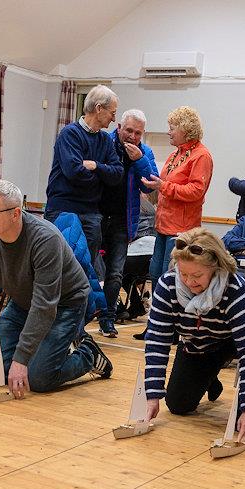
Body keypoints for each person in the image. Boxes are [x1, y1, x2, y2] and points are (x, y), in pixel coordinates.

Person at [0, 180, 113, 398]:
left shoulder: (45, 239)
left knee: (39, 378)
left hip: (65, 304)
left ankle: (88, 354)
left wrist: (21, 359)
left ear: (15, 214)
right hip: (23, 301)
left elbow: (45, 304)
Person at [143, 228, 245, 445]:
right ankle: (209, 378)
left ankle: (242, 399)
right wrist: (151, 395)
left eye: (197, 276)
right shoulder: (167, 285)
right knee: (178, 405)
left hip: (236, 341)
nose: (189, 282)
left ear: (216, 268)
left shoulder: (235, 288)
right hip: (198, 345)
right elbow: (157, 342)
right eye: (183, 274)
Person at [135, 106, 213, 339]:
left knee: (175, 281)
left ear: (185, 129)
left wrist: (163, 186)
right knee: (156, 275)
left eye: (172, 127)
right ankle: (157, 325)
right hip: (163, 225)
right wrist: (154, 185)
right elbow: (165, 184)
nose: (168, 132)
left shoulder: (202, 156)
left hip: (182, 230)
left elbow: (196, 191)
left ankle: (174, 329)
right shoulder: (176, 154)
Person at [44, 84, 123, 263]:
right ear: (98, 108)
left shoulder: (105, 140)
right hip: (62, 210)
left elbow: (117, 174)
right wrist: (103, 178)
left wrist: (96, 166)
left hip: (91, 214)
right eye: (112, 112)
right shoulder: (69, 134)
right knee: (59, 264)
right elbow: (74, 172)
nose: (113, 118)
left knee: (87, 269)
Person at [97, 109, 158, 338]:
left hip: (123, 221)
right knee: (90, 270)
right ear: (119, 128)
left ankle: (108, 320)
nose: (132, 136)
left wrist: (139, 160)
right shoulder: (104, 142)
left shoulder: (145, 152)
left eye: (138, 133)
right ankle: (83, 315)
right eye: (129, 130)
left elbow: (150, 185)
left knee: (115, 273)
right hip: (97, 216)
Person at [117, 196, 156, 322]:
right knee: (126, 275)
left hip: (135, 253)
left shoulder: (128, 202)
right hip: (152, 256)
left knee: (112, 268)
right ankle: (136, 304)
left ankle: (116, 306)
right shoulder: (149, 205)